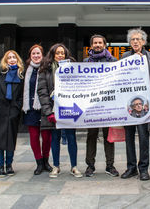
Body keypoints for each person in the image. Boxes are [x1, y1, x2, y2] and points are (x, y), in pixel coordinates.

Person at [37, 43, 83, 178]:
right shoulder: (45, 70)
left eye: (62, 53)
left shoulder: (73, 68)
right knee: (55, 139)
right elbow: (42, 92)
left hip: (69, 109)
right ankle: (56, 166)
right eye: (57, 53)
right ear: (52, 54)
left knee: (71, 138)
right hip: (53, 109)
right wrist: (48, 112)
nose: (60, 55)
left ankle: (74, 166)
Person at [120, 28, 150, 181]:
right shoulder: (124, 57)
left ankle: (143, 169)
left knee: (144, 138)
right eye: (132, 40)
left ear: (144, 42)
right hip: (128, 106)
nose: (135, 42)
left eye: (138, 39)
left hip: (146, 106)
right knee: (129, 138)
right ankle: (131, 168)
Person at [84, 35, 119, 177]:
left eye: (100, 43)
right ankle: (90, 166)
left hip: (108, 104)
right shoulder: (86, 62)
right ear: (91, 45)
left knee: (108, 136)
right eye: (95, 43)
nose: (97, 45)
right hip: (92, 105)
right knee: (91, 136)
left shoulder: (113, 61)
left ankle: (110, 165)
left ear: (105, 45)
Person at [0, 50, 24, 177]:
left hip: (13, 112)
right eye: (9, 58)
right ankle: (0, 166)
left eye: (14, 57)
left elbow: (22, 95)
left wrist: (17, 107)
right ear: (5, 60)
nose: (12, 59)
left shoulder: (20, 75)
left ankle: (9, 165)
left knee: (10, 140)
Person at [22, 44, 52, 175]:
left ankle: (46, 161)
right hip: (30, 108)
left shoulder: (47, 69)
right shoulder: (24, 71)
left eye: (38, 53)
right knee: (34, 137)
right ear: (30, 56)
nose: (36, 56)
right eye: (33, 53)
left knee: (47, 137)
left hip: (44, 107)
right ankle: (39, 163)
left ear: (42, 55)